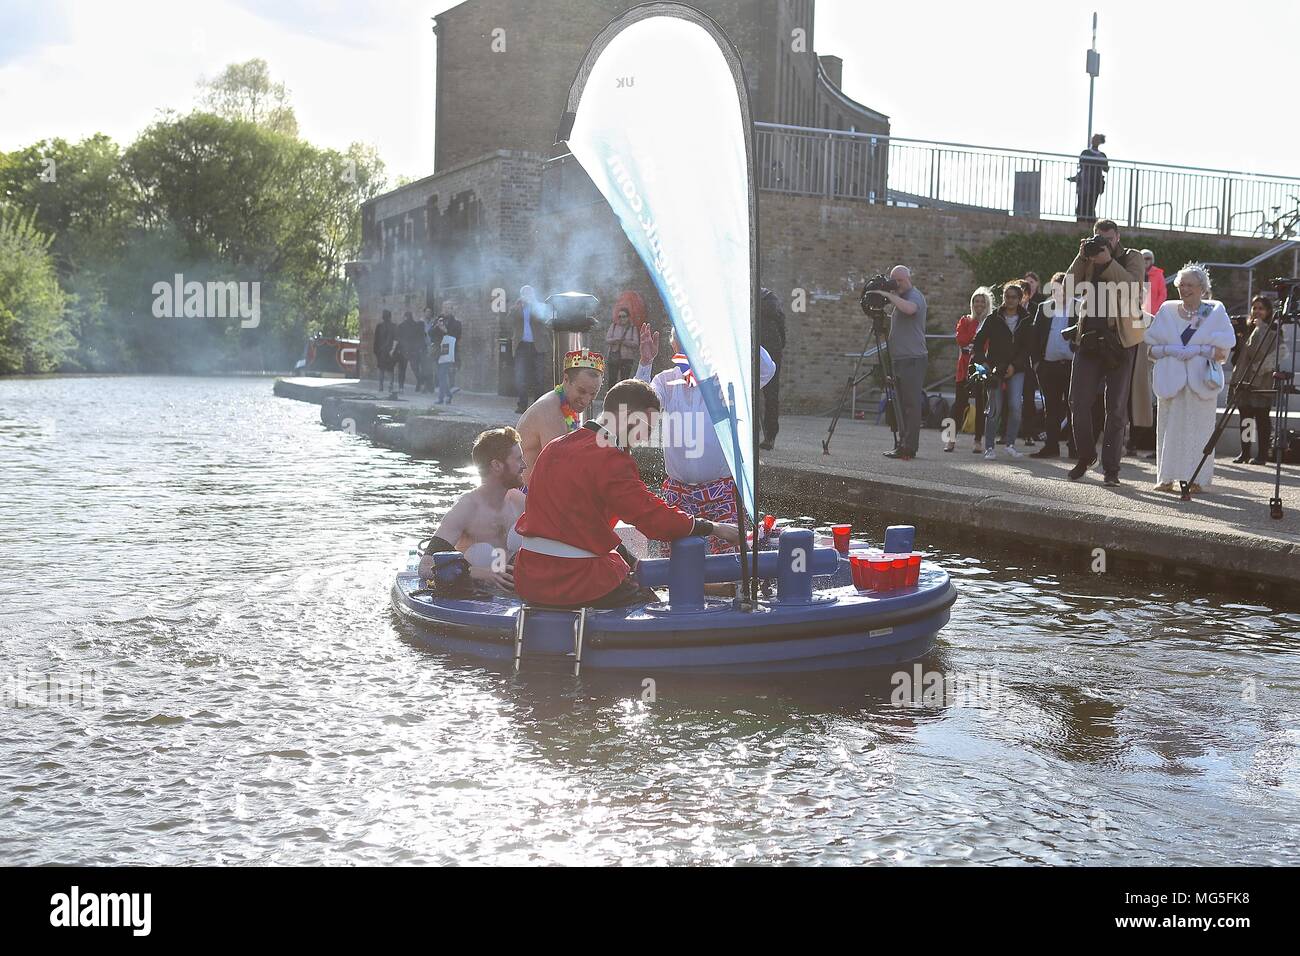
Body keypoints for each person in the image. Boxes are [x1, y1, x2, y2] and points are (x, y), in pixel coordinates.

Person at [513, 378, 740, 609]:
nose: (643, 439)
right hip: (576, 580)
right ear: (629, 416)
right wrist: (713, 527)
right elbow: (652, 518)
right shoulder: (611, 459)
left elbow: (575, 526)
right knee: (648, 605)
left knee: (628, 567)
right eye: (646, 428)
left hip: (530, 576)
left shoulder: (555, 446)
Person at [634, 322, 776, 553]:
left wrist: (739, 335)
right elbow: (639, 405)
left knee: (731, 561)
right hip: (678, 492)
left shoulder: (727, 378)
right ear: (674, 349)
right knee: (676, 561)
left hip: (721, 490)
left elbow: (766, 370)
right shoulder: (665, 381)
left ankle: (728, 589)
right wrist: (646, 363)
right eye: (684, 346)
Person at [1065, 218, 1147, 486]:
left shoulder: (1131, 257)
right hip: (1089, 338)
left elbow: (1133, 288)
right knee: (1078, 401)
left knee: (1116, 408)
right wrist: (1081, 257)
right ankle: (1085, 455)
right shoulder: (1087, 257)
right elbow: (1066, 289)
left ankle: (1111, 469)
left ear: (1117, 237)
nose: (1104, 243)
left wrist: (1107, 261)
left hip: (1120, 340)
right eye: (1099, 238)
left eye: (1109, 239)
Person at [1146, 263, 1235, 492]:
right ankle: (1165, 478)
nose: (1185, 289)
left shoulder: (1213, 312)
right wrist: (1170, 350)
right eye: (1181, 284)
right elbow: (1150, 351)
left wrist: (1199, 350)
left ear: (1202, 288)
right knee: (1168, 429)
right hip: (1171, 379)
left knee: (1199, 431)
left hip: (1201, 380)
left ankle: (1197, 479)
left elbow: (1222, 353)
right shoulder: (1166, 311)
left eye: (1190, 285)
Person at [422, 427, 527, 592]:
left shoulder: (520, 502)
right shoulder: (466, 508)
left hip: (510, 593)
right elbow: (425, 566)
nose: (524, 465)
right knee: (482, 552)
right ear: (497, 465)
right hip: (472, 594)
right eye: (518, 459)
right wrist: (477, 573)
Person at [517, 348, 605, 479]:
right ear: (566, 379)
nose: (586, 400)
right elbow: (560, 468)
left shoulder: (564, 403)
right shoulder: (549, 410)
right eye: (581, 391)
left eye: (593, 393)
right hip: (526, 495)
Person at [972, 280, 1033, 460]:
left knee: (1015, 406)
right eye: (1007, 296)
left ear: (1020, 299)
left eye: (1014, 297)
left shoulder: (1027, 320)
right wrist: (984, 362)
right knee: (993, 409)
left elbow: (1027, 347)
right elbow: (978, 341)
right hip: (995, 368)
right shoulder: (993, 319)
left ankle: (1010, 444)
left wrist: (1015, 366)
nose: (1010, 300)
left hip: (1016, 368)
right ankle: (989, 447)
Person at [876, 265, 928, 460]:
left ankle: (909, 447)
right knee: (900, 404)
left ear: (908, 278)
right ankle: (902, 444)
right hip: (900, 359)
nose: (896, 284)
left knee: (910, 405)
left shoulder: (914, 296)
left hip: (913, 359)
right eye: (894, 281)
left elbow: (910, 310)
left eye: (900, 280)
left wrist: (888, 295)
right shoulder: (902, 299)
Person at [1030, 272, 1078, 459]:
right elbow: (1034, 339)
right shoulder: (1044, 308)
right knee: (1051, 408)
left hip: (1072, 366)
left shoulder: (1079, 308)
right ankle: (1051, 446)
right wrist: (1036, 364)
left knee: (1074, 407)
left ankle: (1074, 447)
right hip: (1048, 366)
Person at [1231, 295, 1281, 465]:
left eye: (1261, 308)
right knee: (1245, 418)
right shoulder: (1246, 328)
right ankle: (1245, 452)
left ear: (1268, 311)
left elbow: (1260, 352)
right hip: (1243, 377)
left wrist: (1261, 329)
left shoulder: (1273, 329)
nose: (1257, 311)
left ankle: (1262, 455)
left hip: (1261, 378)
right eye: (1255, 308)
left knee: (1261, 418)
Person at [947, 287, 993, 453]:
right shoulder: (965, 321)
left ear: (987, 304)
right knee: (959, 404)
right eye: (976, 301)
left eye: (982, 301)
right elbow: (961, 339)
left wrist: (975, 344)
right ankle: (950, 439)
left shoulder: (991, 322)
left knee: (981, 404)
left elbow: (987, 345)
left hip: (981, 368)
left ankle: (978, 440)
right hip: (964, 367)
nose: (979, 304)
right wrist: (975, 341)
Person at [1130, 249, 1167, 456]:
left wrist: (1154, 313)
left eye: (1149, 259)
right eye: (1143, 258)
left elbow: (1162, 295)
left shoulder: (1158, 275)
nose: (1146, 262)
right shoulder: (1134, 273)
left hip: (1150, 319)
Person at [510, 285, 550, 413]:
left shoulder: (539, 306)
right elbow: (510, 320)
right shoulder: (517, 307)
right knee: (521, 377)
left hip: (537, 346)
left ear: (533, 294)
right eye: (524, 293)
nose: (527, 296)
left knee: (539, 377)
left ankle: (537, 407)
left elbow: (543, 318)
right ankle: (522, 405)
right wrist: (518, 307)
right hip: (521, 346)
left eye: (529, 293)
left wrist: (532, 304)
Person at [758, 287, 787, 450]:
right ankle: (770, 436)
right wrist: (781, 344)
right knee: (771, 394)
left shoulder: (748, 298)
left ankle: (748, 433)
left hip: (755, 347)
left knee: (747, 392)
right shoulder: (772, 299)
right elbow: (781, 327)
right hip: (773, 349)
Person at [604, 291, 644, 386]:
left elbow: (635, 343)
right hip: (614, 357)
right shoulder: (613, 326)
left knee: (624, 381)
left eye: (624, 316)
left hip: (627, 359)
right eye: (620, 316)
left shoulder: (632, 328)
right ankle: (611, 399)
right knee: (612, 380)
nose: (621, 319)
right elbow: (607, 339)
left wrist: (624, 342)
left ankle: (623, 399)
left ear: (628, 317)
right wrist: (615, 340)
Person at [1071, 133, 1109, 223]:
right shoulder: (1086, 152)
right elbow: (1081, 165)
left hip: (1095, 183)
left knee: (1091, 204)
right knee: (1081, 203)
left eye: (1096, 139)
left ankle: (1090, 223)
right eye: (1093, 138)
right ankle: (1080, 222)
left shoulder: (1102, 155)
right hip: (1084, 182)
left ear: (1100, 142)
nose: (1094, 140)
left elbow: (1106, 168)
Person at [395, 311, 428, 395]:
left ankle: (401, 388)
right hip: (414, 351)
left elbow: (398, 339)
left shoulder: (401, 326)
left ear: (405, 317)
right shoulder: (417, 325)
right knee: (416, 369)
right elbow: (421, 338)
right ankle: (423, 384)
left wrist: (397, 350)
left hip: (403, 351)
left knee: (402, 370)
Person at [434, 314, 458, 404]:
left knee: (441, 376)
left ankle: (441, 398)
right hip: (439, 355)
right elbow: (430, 333)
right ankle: (448, 394)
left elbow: (454, 340)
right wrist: (437, 326)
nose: (441, 322)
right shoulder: (437, 329)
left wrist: (444, 330)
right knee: (442, 377)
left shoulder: (451, 329)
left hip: (447, 356)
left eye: (443, 321)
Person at [373, 309, 397, 393]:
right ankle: (390, 386)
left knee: (381, 369)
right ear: (390, 317)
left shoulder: (379, 326)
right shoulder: (394, 326)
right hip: (390, 351)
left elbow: (376, 340)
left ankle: (381, 386)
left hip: (381, 351)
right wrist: (394, 350)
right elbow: (396, 339)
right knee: (390, 370)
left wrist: (375, 351)